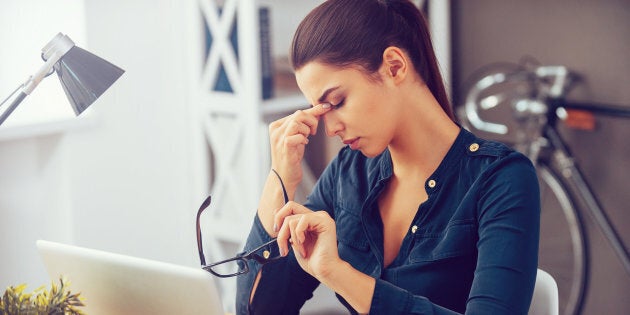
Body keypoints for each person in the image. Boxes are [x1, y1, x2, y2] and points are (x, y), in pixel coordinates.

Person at [236, 0, 540, 314]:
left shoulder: (501, 179)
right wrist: (280, 177)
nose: (330, 128)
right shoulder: (348, 174)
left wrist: (340, 275)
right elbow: (259, 310)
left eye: (337, 102)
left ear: (394, 66)